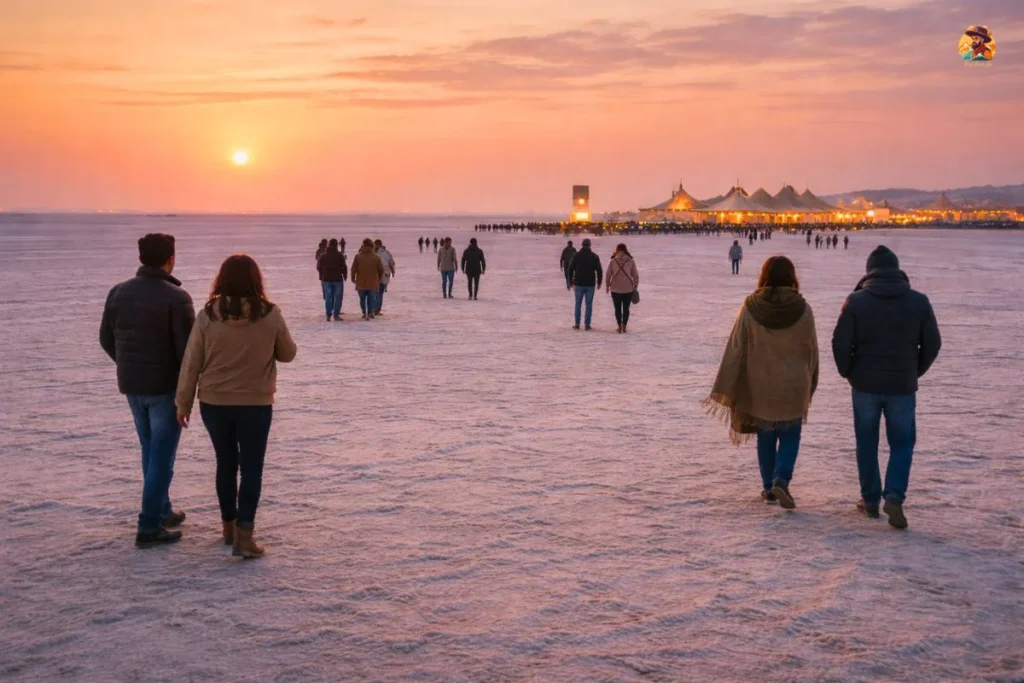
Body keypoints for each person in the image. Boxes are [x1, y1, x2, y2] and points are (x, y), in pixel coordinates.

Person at [175, 255, 297, 558]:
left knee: (226, 463)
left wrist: (183, 402)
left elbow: (192, 362)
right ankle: (245, 535)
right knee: (252, 468)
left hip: (214, 403)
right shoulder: (270, 314)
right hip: (255, 403)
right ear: (257, 280)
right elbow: (288, 353)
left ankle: (228, 529)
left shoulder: (208, 315)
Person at [831, 246, 941, 529]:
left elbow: (840, 342)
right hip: (902, 384)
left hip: (865, 383)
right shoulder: (919, 301)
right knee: (902, 443)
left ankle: (869, 501)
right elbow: (933, 343)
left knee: (866, 442)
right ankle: (894, 495)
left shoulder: (856, 301)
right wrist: (914, 371)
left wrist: (849, 372)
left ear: (869, 271)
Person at [99, 233, 195, 548]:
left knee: (150, 449)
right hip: (163, 388)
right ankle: (149, 525)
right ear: (171, 259)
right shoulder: (176, 298)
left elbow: (106, 339)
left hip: (132, 386)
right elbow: (188, 353)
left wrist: (127, 365)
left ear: (142, 258)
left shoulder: (118, 292)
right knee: (161, 456)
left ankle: (161, 510)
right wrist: (187, 390)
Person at [705, 256, 819, 509]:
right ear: (792, 277)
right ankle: (782, 478)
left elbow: (736, 347)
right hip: (793, 385)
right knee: (790, 434)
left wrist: (732, 382)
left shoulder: (750, 307)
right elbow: (811, 349)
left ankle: (769, 487)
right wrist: (811, 380)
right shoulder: (803, 309)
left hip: (761, 384)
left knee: (766, 437)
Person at [567, 238, 602, 330]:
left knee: (578, 303)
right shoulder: (594, 256)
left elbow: (570, 269)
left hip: (578, 283)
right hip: (590, 284)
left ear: (582, 245)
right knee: (589, 304)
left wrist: (570, 281)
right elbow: (599, 270)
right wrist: (599, 282)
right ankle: (587, 324)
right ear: (589, 245)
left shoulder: (576, 256)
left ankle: (577, 323)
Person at [606, 243, 639, 333]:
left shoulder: (613, 261)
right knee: (626, 308)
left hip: (615, 288)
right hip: (628, 289)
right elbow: (635, 275)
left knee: (617, 308)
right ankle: (624, 325)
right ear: (625, 250)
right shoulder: (630, 261)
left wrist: (607, 285)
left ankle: (619, 325)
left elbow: (608, 274)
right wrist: (635, 285)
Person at [351, 238, 385, 320]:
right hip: (373, 282)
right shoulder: (376, 257)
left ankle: (364, 312)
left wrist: (353, 278)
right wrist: (379, 279)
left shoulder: (358, 256)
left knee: (362, 298)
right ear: (372, 246)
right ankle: (370, 312)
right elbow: (381, 270)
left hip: (361, 282)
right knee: (372, 298)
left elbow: (353, 269)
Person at [317, 238, 347, 321]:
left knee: (328, 297)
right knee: (338, 297)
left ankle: (328, 315)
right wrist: (345, 275)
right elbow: (344, 267)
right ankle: (336, 315)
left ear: (329, 245)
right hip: (337, 279)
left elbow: (319, 267)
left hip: (326, 279)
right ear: (336, 245)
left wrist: (322, 275)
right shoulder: (340, 255)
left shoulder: (323, 255)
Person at [374, 240, 396, 315]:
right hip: (384, 275)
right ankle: (377, 309)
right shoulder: (387, 253)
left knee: (377, 293)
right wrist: (392, 271)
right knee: (379, 293)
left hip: (377, 276)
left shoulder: (374, 253)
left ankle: (376, 309)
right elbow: (392, 263)